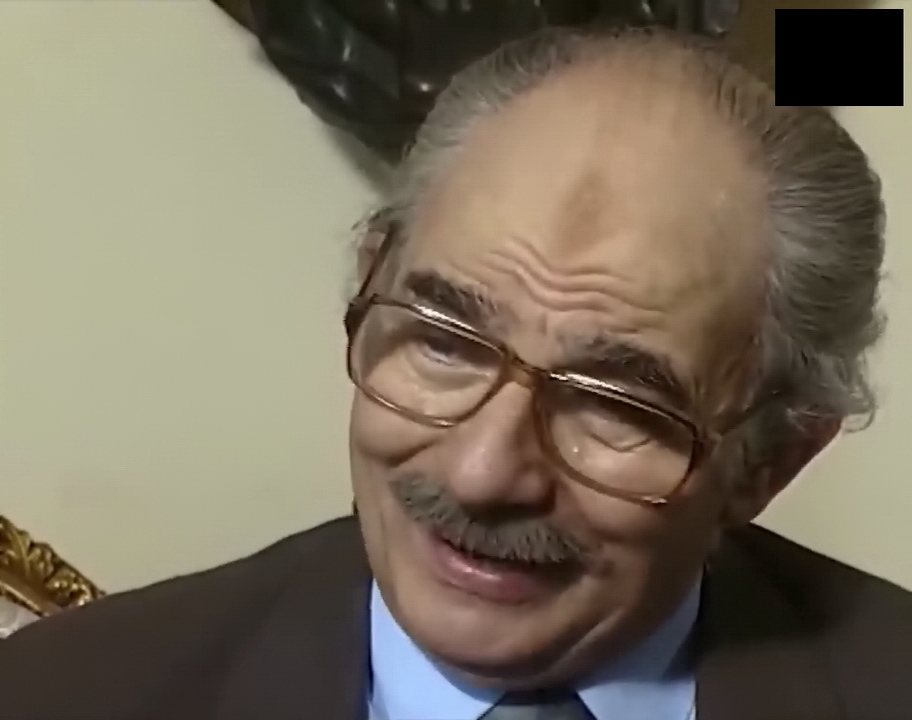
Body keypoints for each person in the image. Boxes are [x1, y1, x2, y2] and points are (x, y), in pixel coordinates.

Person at [1, 25, 909, 720]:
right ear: (371, 283)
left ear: (771, 461)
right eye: (446, 341)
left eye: (614, 403)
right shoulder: (60, 695)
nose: (481, 474)